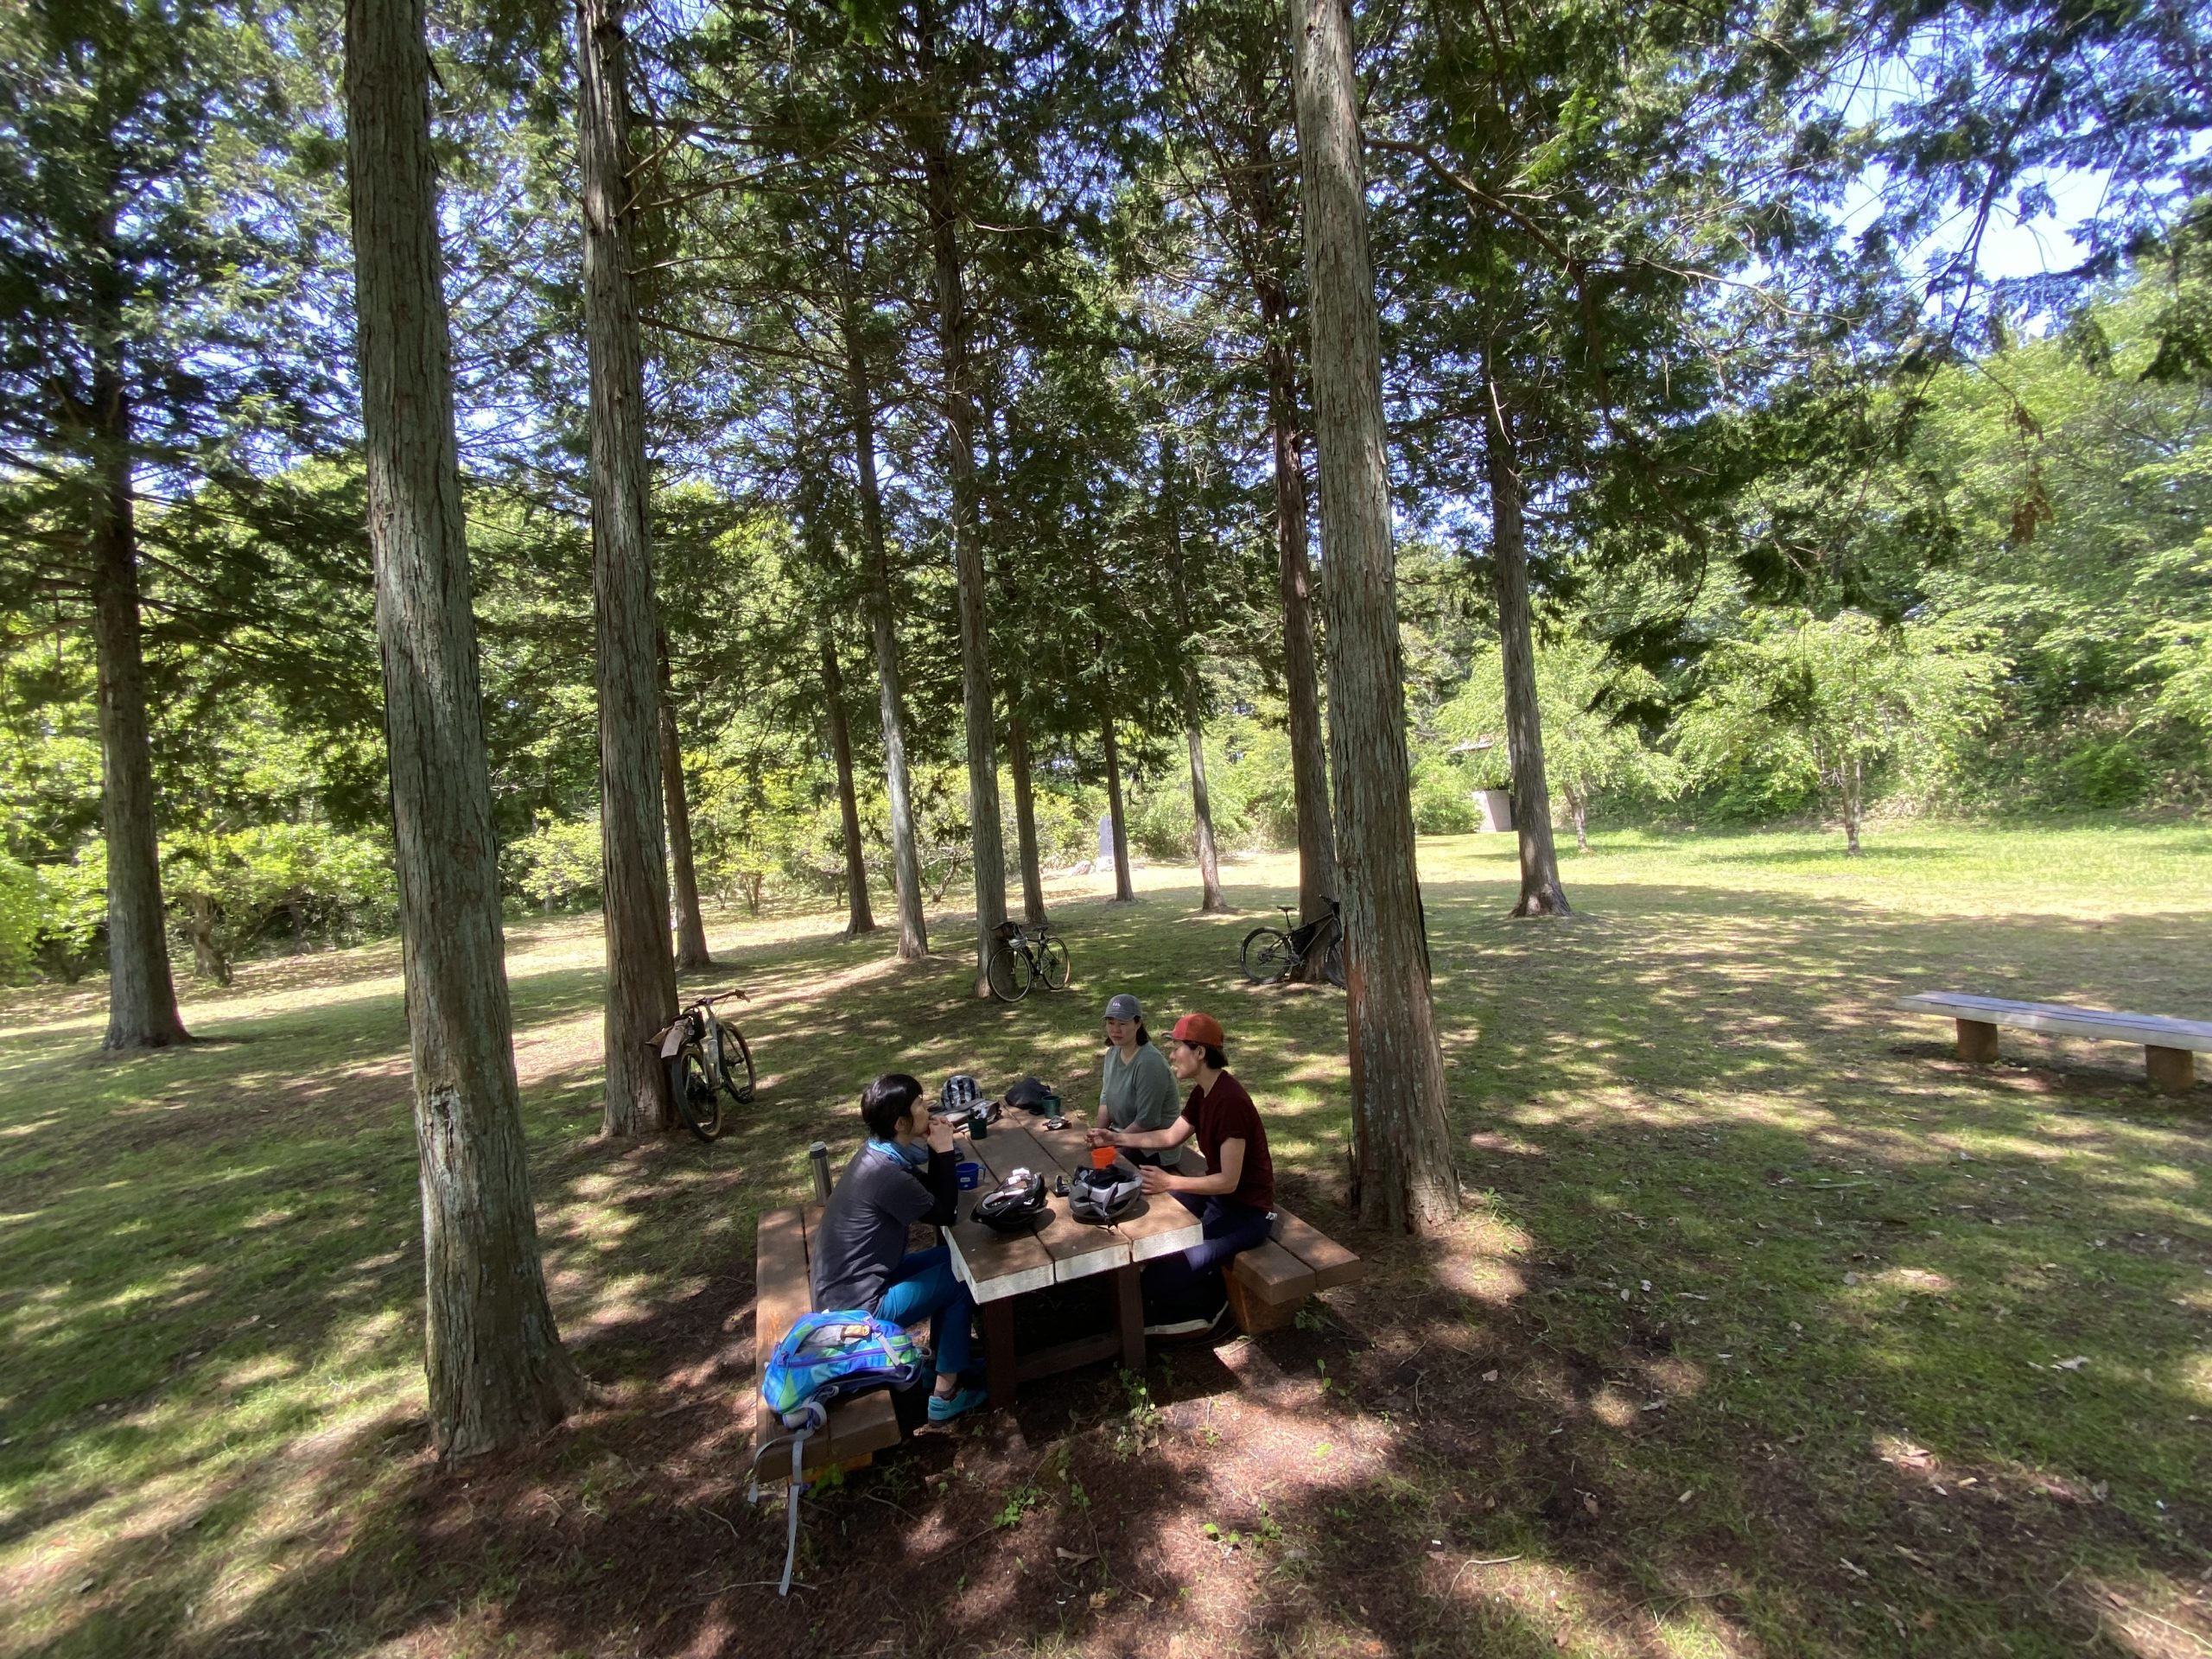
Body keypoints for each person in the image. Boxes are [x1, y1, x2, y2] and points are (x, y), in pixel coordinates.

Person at [809, 1072, 989, 1421]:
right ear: (900, 1122)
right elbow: (947, 1213)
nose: (928, 1107)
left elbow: (936, 1198)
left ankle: (944, 1360)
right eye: (920, 1103)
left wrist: (939, 1151)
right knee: (962, 1277)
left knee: (954, 1257)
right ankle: (945, 1393)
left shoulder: (880, 1155)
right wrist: (944, 1149)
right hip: (857, 1310)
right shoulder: (886, 1174)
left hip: (848, 1289)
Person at [1089, 1011, 1274, 1337]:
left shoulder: (1230, 1102)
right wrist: (1116, 1137)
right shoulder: (1204, 1092)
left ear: (1200, 1052)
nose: (1172, 1055)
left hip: (1246, 1213)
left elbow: (1229, 1181)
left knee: (1167, 1271)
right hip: (1217, 1198)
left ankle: (1211, 1306)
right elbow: (1169, 1136)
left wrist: (1170, 1181)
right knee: (1143, 1217)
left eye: (1177, 1048)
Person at [1093, 993, 1179, 1165]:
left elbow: (1147, 1121)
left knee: (1105, 1172)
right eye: (1111, 1023)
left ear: (1138, 1023)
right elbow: (1105, 1101)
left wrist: (1113, 1140)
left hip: (1152, 1148)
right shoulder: (1112, 1053)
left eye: (1123, 1024)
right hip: (1122, 1135)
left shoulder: (1149, 1062)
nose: (1116, 1030)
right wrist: (1098, 1133)